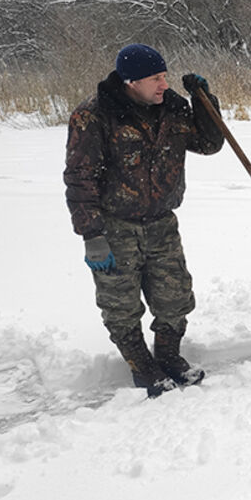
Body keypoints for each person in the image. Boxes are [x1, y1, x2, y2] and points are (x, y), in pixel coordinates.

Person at [64, 44, 224, 398]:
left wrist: (204, 99)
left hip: (161, 221)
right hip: (114, 225)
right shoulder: (94, 117)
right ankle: (140, 364)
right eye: (156, 78)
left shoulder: (173, 109)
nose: (164, 84)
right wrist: (91, 234)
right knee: (120, 304)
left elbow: (211, 144)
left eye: (165, 76)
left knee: (175, 296)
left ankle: (168, 355)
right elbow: (80, 178)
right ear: (131, 81)